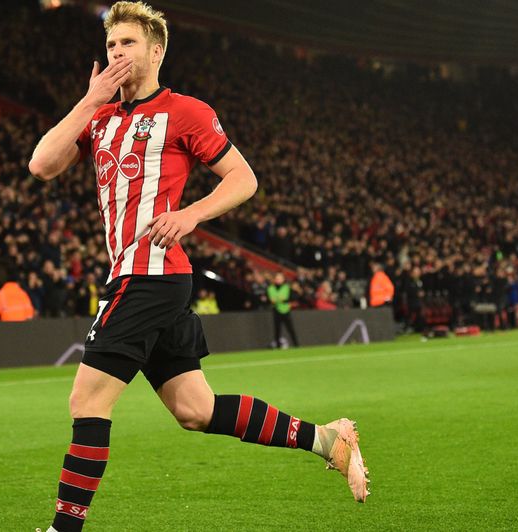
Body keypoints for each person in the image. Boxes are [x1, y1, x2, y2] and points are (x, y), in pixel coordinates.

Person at [28, 4, 368, 530]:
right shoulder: (98, 116)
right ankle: (327, 439)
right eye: (111, 44)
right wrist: (90, 98)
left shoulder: (184, 111)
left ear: (156, 52)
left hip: (150, 276)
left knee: (87, 400)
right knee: (196, 410)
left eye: (128, 43)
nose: (116, 52)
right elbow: (42, 164)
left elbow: (243, 178)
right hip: (140, 276)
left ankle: (63, 529)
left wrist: (190, 215)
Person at [268, 272, 300, 348]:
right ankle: (278, 346)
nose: (278, 280)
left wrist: (282, 300)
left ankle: (296, 345)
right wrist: (280, 300)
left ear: (283, 279)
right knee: (277, 330)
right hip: (276, 310)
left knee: (291, 329)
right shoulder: (271, 288)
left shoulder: (286, 287)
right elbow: (271, 299)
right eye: (277, 278)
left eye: (280, 278)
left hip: (285, 310)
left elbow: (291, 297)